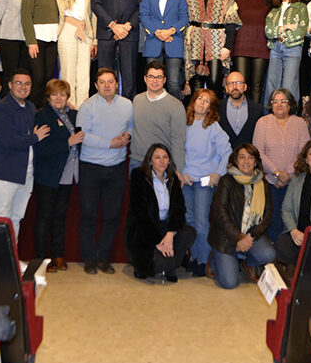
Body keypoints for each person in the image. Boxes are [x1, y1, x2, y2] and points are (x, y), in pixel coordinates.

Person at [76, 68, 133, 275]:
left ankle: (103, 258)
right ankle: (89, 259)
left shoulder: (127, 105)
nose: (107, 85)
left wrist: (127, 135)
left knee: (111, 216)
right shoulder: (87, 106)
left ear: (116, 84)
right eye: (102, 82)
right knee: (88, 215)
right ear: (96, 85)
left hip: (116, 169)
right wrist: (110, 143)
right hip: (90, 167)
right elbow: (82, 135)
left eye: (110, 81)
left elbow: (133, 127)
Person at [0, 73, 49, 239]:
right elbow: (8, 140)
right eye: (19, 83)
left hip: (26, 173)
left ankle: (11, 261)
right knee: (0, 219)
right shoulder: (2, 109)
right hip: (5, 173)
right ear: (9, 85)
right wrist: (34, 137)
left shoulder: (30, 107)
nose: (23, 87)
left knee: (16, 218)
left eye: (27, 83)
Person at [126, 143, 197, 282]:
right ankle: (167, 263)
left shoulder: (173, 179)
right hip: (144, 229)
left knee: (190, 232)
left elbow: (179, 209)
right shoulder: (138, 176)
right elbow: (141, 214)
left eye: (165, 157)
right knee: (155, 266)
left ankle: (169, 264)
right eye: (157, 157)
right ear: (150, 160)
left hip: (166, 225)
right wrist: (158, 241)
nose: (162, 161)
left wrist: (170, 234)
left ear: (169, 160)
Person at [180, 88, 232, 277]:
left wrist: (218, 174)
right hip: (186, 180)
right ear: (193, 101)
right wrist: (180, 172)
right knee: (189, 221)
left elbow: (227, 152)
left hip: (204, 183)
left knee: (201, 223)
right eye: (200, 99)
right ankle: (193, 257)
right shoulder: (183, 123)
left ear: (211, 108)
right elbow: (177, 149)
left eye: (207, 101)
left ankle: (204, 261)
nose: (202, 103)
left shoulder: (214, 128)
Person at [209, 143, 276, 288]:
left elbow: (268, 214)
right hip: (226, 236)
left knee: (269, 254)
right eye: (242, 157)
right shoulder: (226, 181)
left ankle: (248, 263)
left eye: (250, 157)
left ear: (256, 161)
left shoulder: (262, 183)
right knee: (230, 283)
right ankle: (215, 259)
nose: (246, 161)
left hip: (251, 235)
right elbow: (220, 214)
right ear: (235, 161)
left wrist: (249, 237)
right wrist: (238, 238)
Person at [34, 79, 82, 272]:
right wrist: (68, 143)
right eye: (55, 94)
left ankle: (58, 255)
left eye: (62, 94)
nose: (59, 98)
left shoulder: (74, 114)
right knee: (44, 217)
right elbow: (42, 148)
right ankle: (41, 259)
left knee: (59, 217)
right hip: (48, 175)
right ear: (48, 96)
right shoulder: (42, 116)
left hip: (68, 175)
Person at [91, 0, 147, 99]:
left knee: (129, 79)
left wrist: (127, 26)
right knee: (104, 79)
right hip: (106, 32)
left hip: (129, 33)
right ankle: (104, 115)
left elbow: (141, 4)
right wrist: (113, 25)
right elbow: (95, 3)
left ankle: (127, 116)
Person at [253, 88, 310, 240]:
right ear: (270, 105)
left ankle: (289, 257)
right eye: (275, 101)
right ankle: (273, 258)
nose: (279, 104)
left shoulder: (300, 123)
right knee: (273, 222)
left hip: (295, 182)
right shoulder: (262, 123)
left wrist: (288, 174)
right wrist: (277, 173)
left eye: (283, 101)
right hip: (270, 182)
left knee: (294, 221)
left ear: (290, 104)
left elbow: (304, 152)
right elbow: (258, 152)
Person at [183, 0, 242, 100]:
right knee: (195, 84)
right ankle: (196, 119)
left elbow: (231, 24)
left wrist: (227, 47)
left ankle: (215, 117)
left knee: (214, 83)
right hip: (195, 44)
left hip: (217, 44)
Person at [139, 0, 188, 100]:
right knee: (152, 83)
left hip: (174, 42)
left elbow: (184, 18)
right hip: (153, 42)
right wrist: (157, 32)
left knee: (173, 83)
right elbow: (144, 15)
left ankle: (177, 115)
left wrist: (170, 31)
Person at [54, 0, 96, 108]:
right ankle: (69, 110)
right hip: (66, 30)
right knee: (67, 73)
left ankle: (83, 111)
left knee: (84, 75)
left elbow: (93, 15)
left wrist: (95, 39)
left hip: (86, 31)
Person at [130, 62, 186, 172]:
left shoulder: (176, 106)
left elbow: (178, 142)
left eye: (159, 77)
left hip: (162, 164)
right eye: (151, 77)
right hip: (137, 161)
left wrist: (178, 170)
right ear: (145, 79)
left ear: (165, 80)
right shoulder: (137, 100)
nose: (155, 81)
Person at [263, 0, 308, 103]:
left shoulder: (301, 8)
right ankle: (269, 117)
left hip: (293, 49)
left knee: (289, 85)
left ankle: (291, 117)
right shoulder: (274, 11)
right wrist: (285, 27)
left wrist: (280, 32)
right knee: (272, 85)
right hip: (275, 48)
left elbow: (301, 30)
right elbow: (268, 31)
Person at [231, 0, 271, 103]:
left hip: (261, 48)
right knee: (241, 85)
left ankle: (254, 119)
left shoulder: (269, 0)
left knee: (256, 87)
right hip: (240, 48)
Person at [218, 71, 263, 150]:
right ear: (226, 88)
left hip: (248, 159)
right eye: (231, 83)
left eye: (238, 83)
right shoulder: (217, 108)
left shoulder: (257, 109)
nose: (235, 86)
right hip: (223, 159)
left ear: (245, 87)